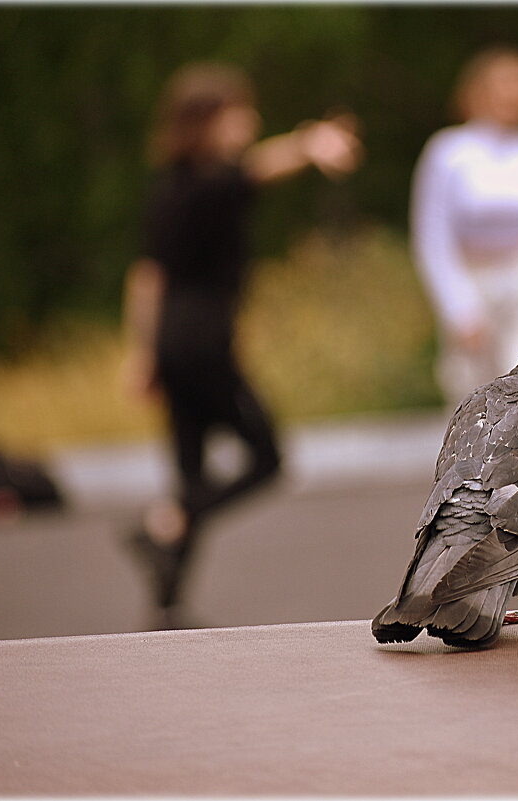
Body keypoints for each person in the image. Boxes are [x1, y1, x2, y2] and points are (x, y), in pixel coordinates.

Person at [122, 62, 362, 629]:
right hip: (203, 345)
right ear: (204, 122)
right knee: (267, 457)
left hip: (175, 344)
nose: (249, 121)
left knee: (191, 471)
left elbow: (147, 277)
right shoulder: (213, 183)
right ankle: (166, 522)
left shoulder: (169, 187)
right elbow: (258, 170)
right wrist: (310, 144)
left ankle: (166, 603)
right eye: (237, 113)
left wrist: (144, 352)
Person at [410, 46, 518, 407]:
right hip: (473, 278)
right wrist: (458, 307)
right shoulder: (449, 151)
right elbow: (433, 237)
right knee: (475, 397)